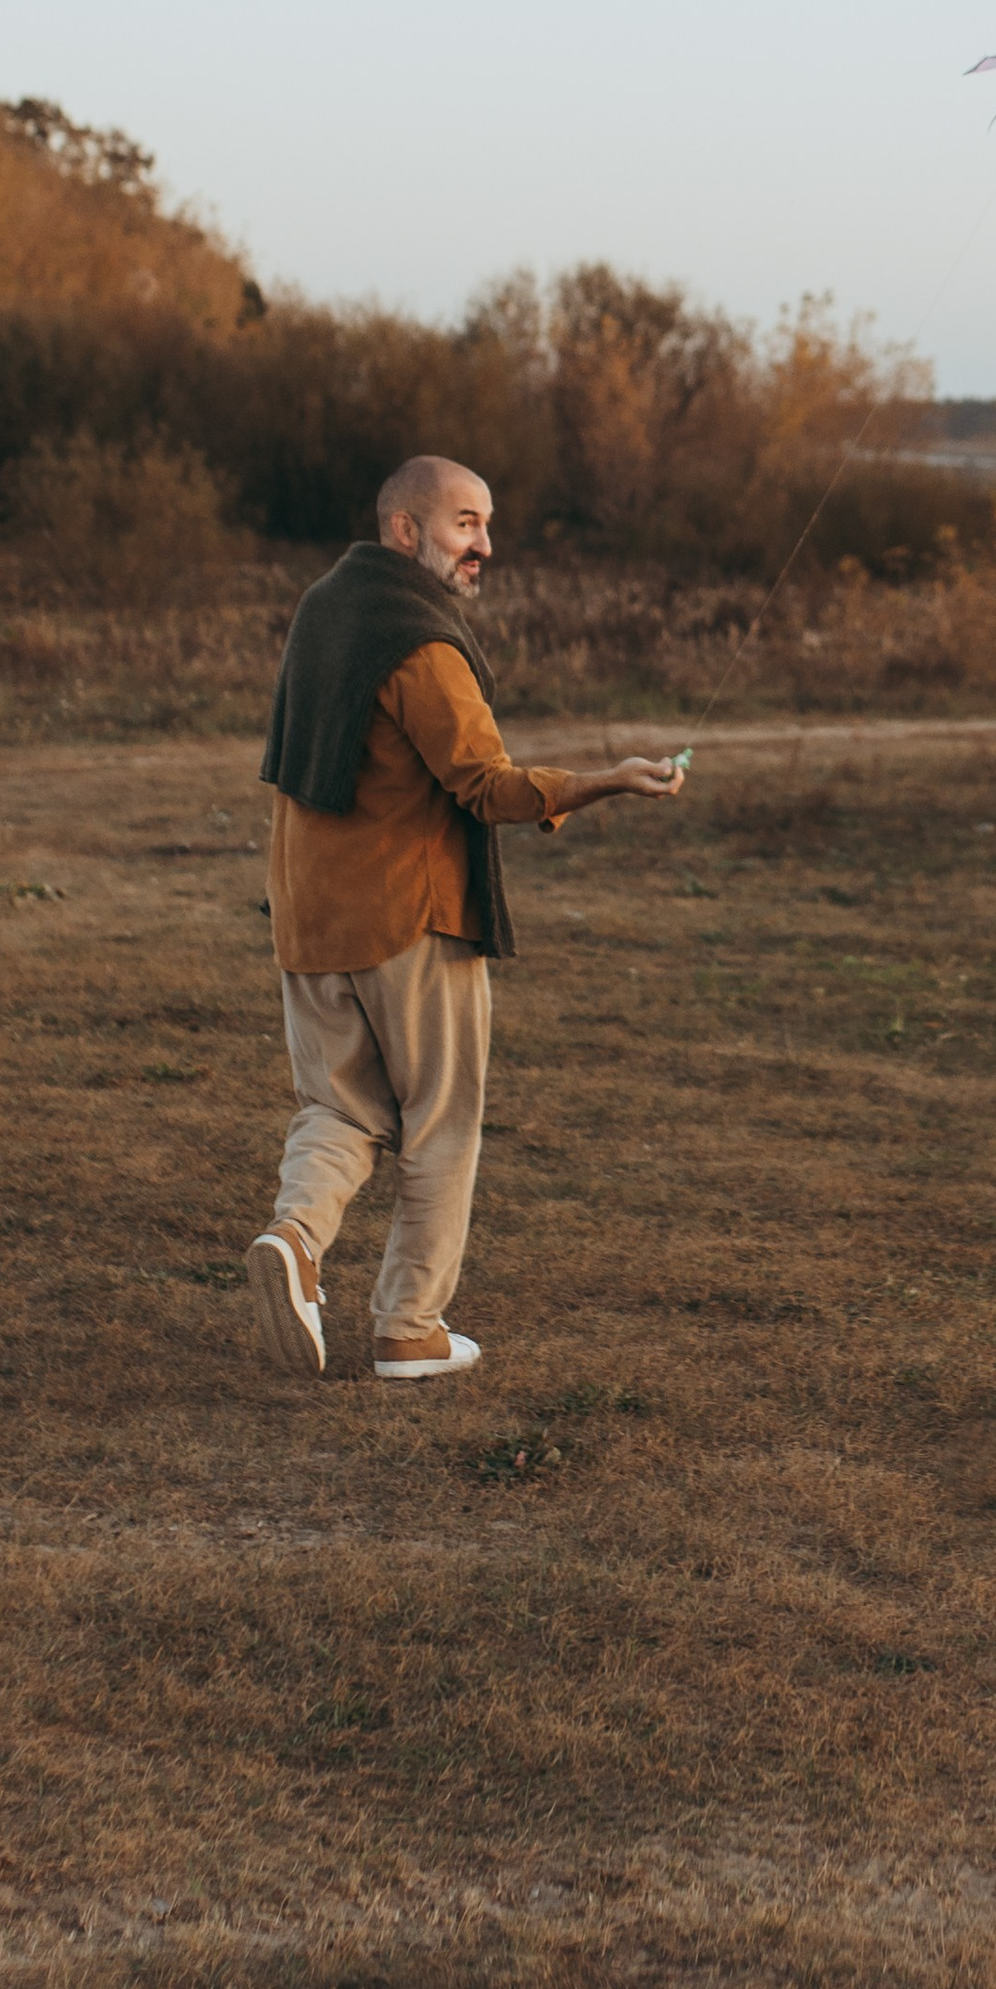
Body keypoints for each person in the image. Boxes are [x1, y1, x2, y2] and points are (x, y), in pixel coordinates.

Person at [244, 455, 686, 1384]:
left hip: (310, 916)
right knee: (442, 1121)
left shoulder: (326, 608)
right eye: (464, 524)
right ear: (405, 530)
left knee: (337, 1107)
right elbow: (486, 787)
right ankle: (410, 1328)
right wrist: (606, 779)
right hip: (410, 916)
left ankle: (293, 1240)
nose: (485, 545)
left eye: (487, 525)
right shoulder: (420, 642)